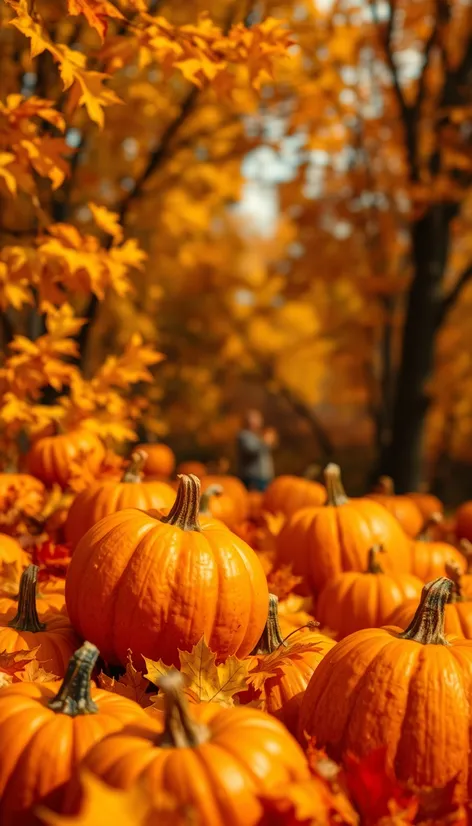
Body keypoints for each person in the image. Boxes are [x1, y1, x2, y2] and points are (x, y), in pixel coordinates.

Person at [236, 409, 277, 492]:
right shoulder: (244, 435)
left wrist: (271, 440)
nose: (255, 422)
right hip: (252, 477)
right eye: (253, 419)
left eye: (257, 419)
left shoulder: (259, 435)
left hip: (265, 476)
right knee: (253, 500)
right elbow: (251, 450)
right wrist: (265, 442)